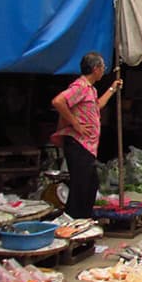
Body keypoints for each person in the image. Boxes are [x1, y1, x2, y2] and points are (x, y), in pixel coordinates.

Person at [51, 52, 122, 219]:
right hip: (78, 143)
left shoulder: (91, 89)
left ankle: (83, 219)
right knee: (80, 186)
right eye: (103, 67)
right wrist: (75, 123)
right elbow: (58, 101)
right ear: (96, 69)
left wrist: (112, 88)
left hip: (87, 146)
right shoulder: (80, 86)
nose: (104, 70)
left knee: (90, 184)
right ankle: (74, 221)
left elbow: (97, 106)